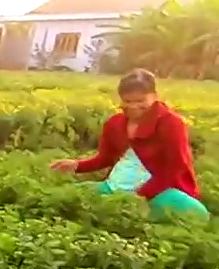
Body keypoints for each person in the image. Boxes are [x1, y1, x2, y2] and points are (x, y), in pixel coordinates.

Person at [50, 69, 207, 221]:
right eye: (127, 101)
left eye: (140, 101)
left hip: (159, 191)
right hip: (115, 187)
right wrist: (76, 165)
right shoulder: (115, 123)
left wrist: (140, 196)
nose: (133, 106)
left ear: (154, 96)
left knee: (198, 215)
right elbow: (106, 158)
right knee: (65, 198)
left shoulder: (171, 123)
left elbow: (175, 168)